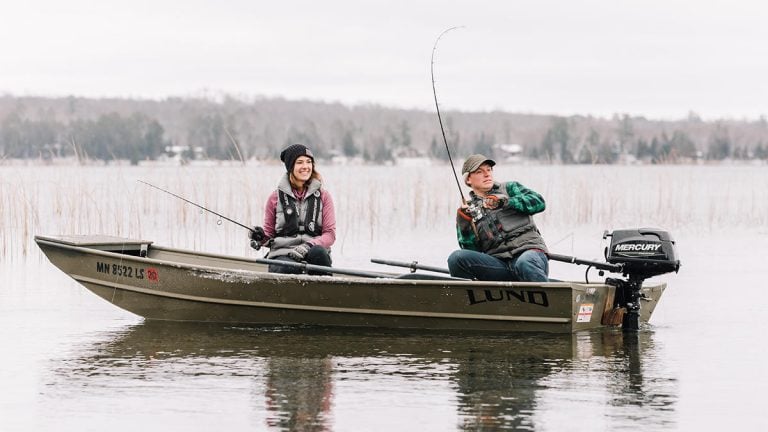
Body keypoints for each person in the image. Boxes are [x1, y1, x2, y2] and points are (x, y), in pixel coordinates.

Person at [447, 154, 549, 282]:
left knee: (524, 263)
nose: (487, 174)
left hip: (530, 255)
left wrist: (506, 202)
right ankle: (471, 300)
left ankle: (553, 300)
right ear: (468, 180)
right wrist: (464, 223)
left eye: (489, 170)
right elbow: (471, 250)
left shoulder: (510, 188)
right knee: (456, 258)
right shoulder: (467, 211)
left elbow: (539, 202)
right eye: (479, 172)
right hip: (499, 266)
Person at [249, 144, 336, 274]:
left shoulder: (324, 196)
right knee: (288, 267)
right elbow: (268, 237)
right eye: (299, 162)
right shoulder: (274, 198)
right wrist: (259, 237)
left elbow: (330, 235)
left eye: (309, 162)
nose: (305, 166)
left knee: (319, 253)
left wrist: (309, 245)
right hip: (283, 254)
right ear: (291, 167)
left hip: (313, 252)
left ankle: (323, 292)